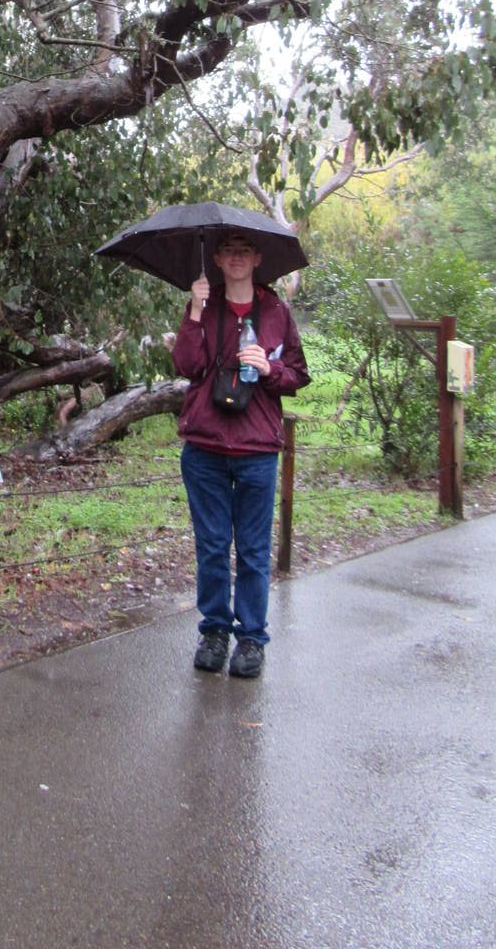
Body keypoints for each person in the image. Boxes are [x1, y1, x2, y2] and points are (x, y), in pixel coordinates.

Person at [170, 234, 310, 679]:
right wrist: (193, 312)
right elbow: (186, 366)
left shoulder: (276, 313)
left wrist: (270, 370)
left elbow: (299, 375)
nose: (235, 257)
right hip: (206, 448)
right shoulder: (205, 306)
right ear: (216, 258)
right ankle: (214, 631)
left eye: (243, 251)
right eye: (228, 250)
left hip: (256, 450)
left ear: (257, 259)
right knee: (211, 547)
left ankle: (251, 639)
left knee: (252, 549)